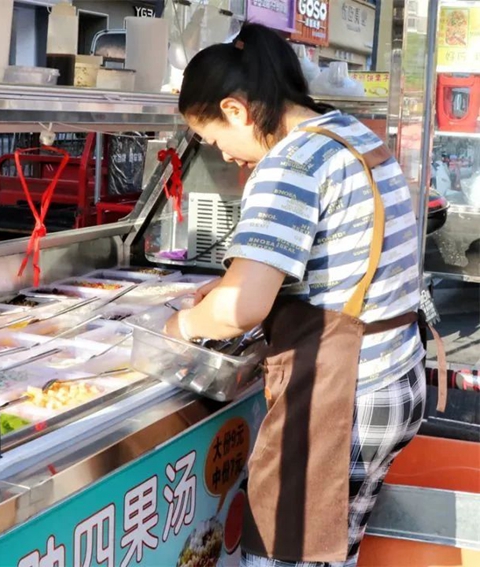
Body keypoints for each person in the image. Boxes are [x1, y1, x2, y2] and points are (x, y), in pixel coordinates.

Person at [165, 23, 429, 566]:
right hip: (396, 375)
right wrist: (236, 283)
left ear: (236, 110)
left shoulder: (290, 162)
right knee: (332, 552)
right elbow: (343, 254)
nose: (225, 156)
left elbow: (241, 308)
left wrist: (179, 328)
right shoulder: (348, 133)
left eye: (214, 140)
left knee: (286, 554)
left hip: (344, 394)